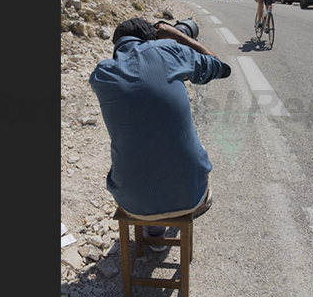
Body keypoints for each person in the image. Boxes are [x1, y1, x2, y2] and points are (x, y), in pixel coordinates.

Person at [89, 18, 231, 251]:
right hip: (191, 199)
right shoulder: (168, 50)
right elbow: (219, 66)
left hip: (131, 202)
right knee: (191, 147)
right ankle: (179, 208)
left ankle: (154, 230)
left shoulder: (101, 74)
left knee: (143, 142)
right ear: (153, 39)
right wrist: (177, 36)